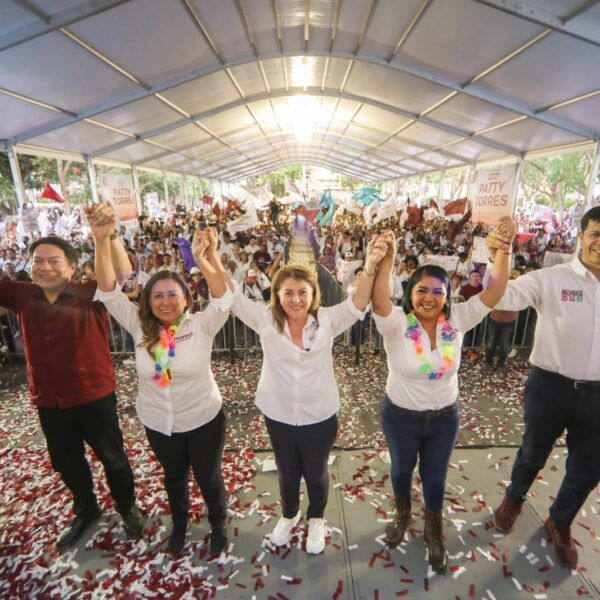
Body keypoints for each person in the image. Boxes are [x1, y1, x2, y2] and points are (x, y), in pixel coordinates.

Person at [212, 232, 386, 555]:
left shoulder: (327, 321)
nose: (295, 299)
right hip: (277, 415)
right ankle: (290, 515)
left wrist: (372, 264)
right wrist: (208, 255)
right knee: (287, 472)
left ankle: (316, 518)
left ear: (312, 294)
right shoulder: (265, 319)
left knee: (316, 473)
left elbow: (358, 303)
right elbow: (231, 295)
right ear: (276, 294)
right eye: (288, 293)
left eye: (302, 293)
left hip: (319, 416)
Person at [371, 221, 515, 573]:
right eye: (422, 290)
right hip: (401, 416)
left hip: (444, 419)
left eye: (437, 291)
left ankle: (434, 531)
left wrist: (504, 250)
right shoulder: (396, 325)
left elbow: (495, 293)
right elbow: (377, 299)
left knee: (435, 478)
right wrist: (387, 258)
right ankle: (403, 515)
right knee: (402, 471)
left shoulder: (459, 321)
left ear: (447, 297)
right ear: (411, 293)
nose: (429, 298)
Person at [91, 213, 233, 558]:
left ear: (186, 298)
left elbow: (224, 297)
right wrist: (101, 240)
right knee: (174, 479)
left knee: (209, 479)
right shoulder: (139, 327)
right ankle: (180, 525)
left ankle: (218, 524)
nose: (166, 301)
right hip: (158, 421)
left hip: (203, 419)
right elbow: (109, 292)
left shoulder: (202, 325)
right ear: (148, 302)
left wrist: (205, 257)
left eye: (173, 294)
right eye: (158, 296)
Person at [0, 218, 144, 550]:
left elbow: (125, 279)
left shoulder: (91, 292)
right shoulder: (22, 296)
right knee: (65, 461)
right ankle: (86, 508)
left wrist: (104, 237)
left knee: (113, 457)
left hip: (93, 394)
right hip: (49, 400)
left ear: (71, 267)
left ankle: (126, 506)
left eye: (54, 261)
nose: (45, 268)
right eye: (38, 261)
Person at [491, 206, 600, 569]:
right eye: (596, 233)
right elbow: (503, 300)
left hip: (598, 395)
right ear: (581, 236)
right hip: (550, 387)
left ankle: (560, 521)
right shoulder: (552, 278)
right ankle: (514, 498)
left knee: (587, 468)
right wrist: (499, 255)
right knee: (532, 452)